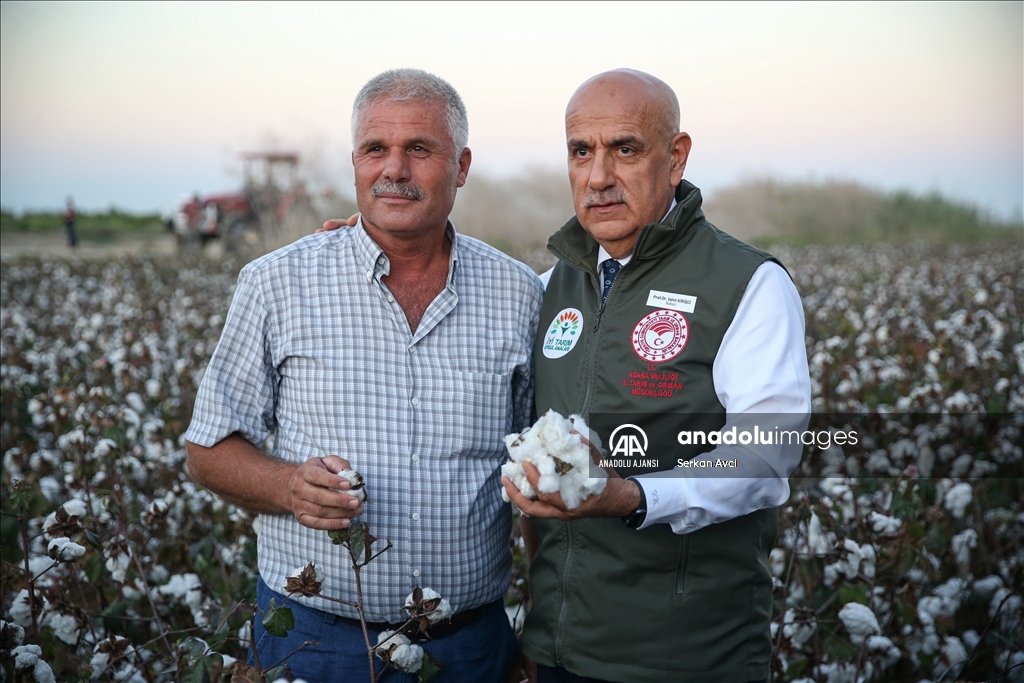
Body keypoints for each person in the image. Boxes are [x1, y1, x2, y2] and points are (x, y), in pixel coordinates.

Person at [185, 68, 542, 682]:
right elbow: (208, 449)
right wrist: (289, 486)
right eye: (376, 149)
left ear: (460, 166)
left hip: (468, 646)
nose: (394, 169)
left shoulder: (518, 293)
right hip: (315, 641)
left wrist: (541, 629)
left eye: (420, 150)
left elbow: (539, 482)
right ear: (355, 161)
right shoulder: (276, 283)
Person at [500, 70, 812, 683]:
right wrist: (367, 240)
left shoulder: (747, 284)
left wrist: (636, 497)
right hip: (561, 653)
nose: (597, 177)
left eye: (625, 149)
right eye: (580, 151)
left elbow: (766, 454)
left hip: (689, 657)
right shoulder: (544, 290)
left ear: (676, 158)